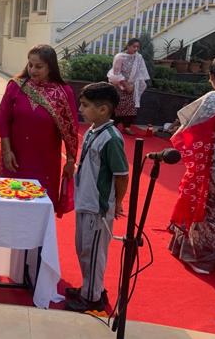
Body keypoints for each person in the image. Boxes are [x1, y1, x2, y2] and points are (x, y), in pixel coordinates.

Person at [65, 82, 129, 312]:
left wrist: (117, 202)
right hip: (86, 201)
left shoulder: (111, 138)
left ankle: (92, 297)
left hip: (98, 207)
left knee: (93, 253)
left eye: (85, 105)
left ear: (103, 109)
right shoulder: (94, 130)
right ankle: (90, 288)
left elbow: (122, 175)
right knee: (84, 249)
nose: (80, 109)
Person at [0, 44, 79, 214]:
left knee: (40, 204)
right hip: (16, 156)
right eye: (30, 65)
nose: (33, 70)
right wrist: (6, 151)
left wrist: (71, 160)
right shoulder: (16, 86)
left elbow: (70, 128)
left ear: (51, 67)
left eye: (39, 66)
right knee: (11, 201)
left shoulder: (63, 92)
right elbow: (3, 119)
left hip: (45, 159)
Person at [168, 57, 215, 275]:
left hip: (214, 161)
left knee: (208, 208)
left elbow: (190, 126)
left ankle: (201, 257)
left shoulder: (213, 98)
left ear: (212, 76)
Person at [107, 38, 150, 135]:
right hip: (119, 84)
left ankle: (127, 127)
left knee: (131, 107)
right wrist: (126, 85)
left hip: (132, 85)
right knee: (118, 105)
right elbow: (116, 73)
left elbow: (140, 73)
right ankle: (113, 126)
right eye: (134, 46)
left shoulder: (138, 57)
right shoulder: (120, 57)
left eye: (138, 47)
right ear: (128, 46)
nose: (136, 49)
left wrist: (133, 86)